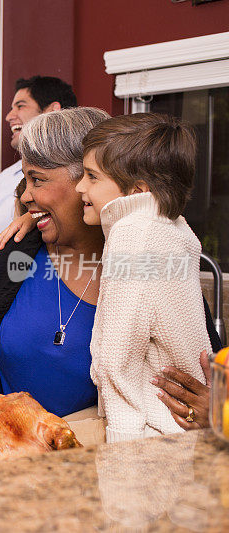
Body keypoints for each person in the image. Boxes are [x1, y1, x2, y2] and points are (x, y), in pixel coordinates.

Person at [0, 107, 111, 420]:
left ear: (90, 181)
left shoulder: (138, 269)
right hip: (9, 458)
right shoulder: (19, 257)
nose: (25, 196)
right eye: (25, 181)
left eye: (37, 180)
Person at [76, 113, 211, 442]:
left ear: (137, 190)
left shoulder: (133, 236)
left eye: (92, 177)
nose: (80, 186)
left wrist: (122, 451)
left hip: (149, 433)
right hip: (183, 428)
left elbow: (118, 359)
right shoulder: (175, 229)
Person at [0, 76, 77, 258]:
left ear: (52, 111)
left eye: (20, 106)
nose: (9, 116)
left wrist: (32, 217)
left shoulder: (84, 173)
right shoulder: (3, 181)